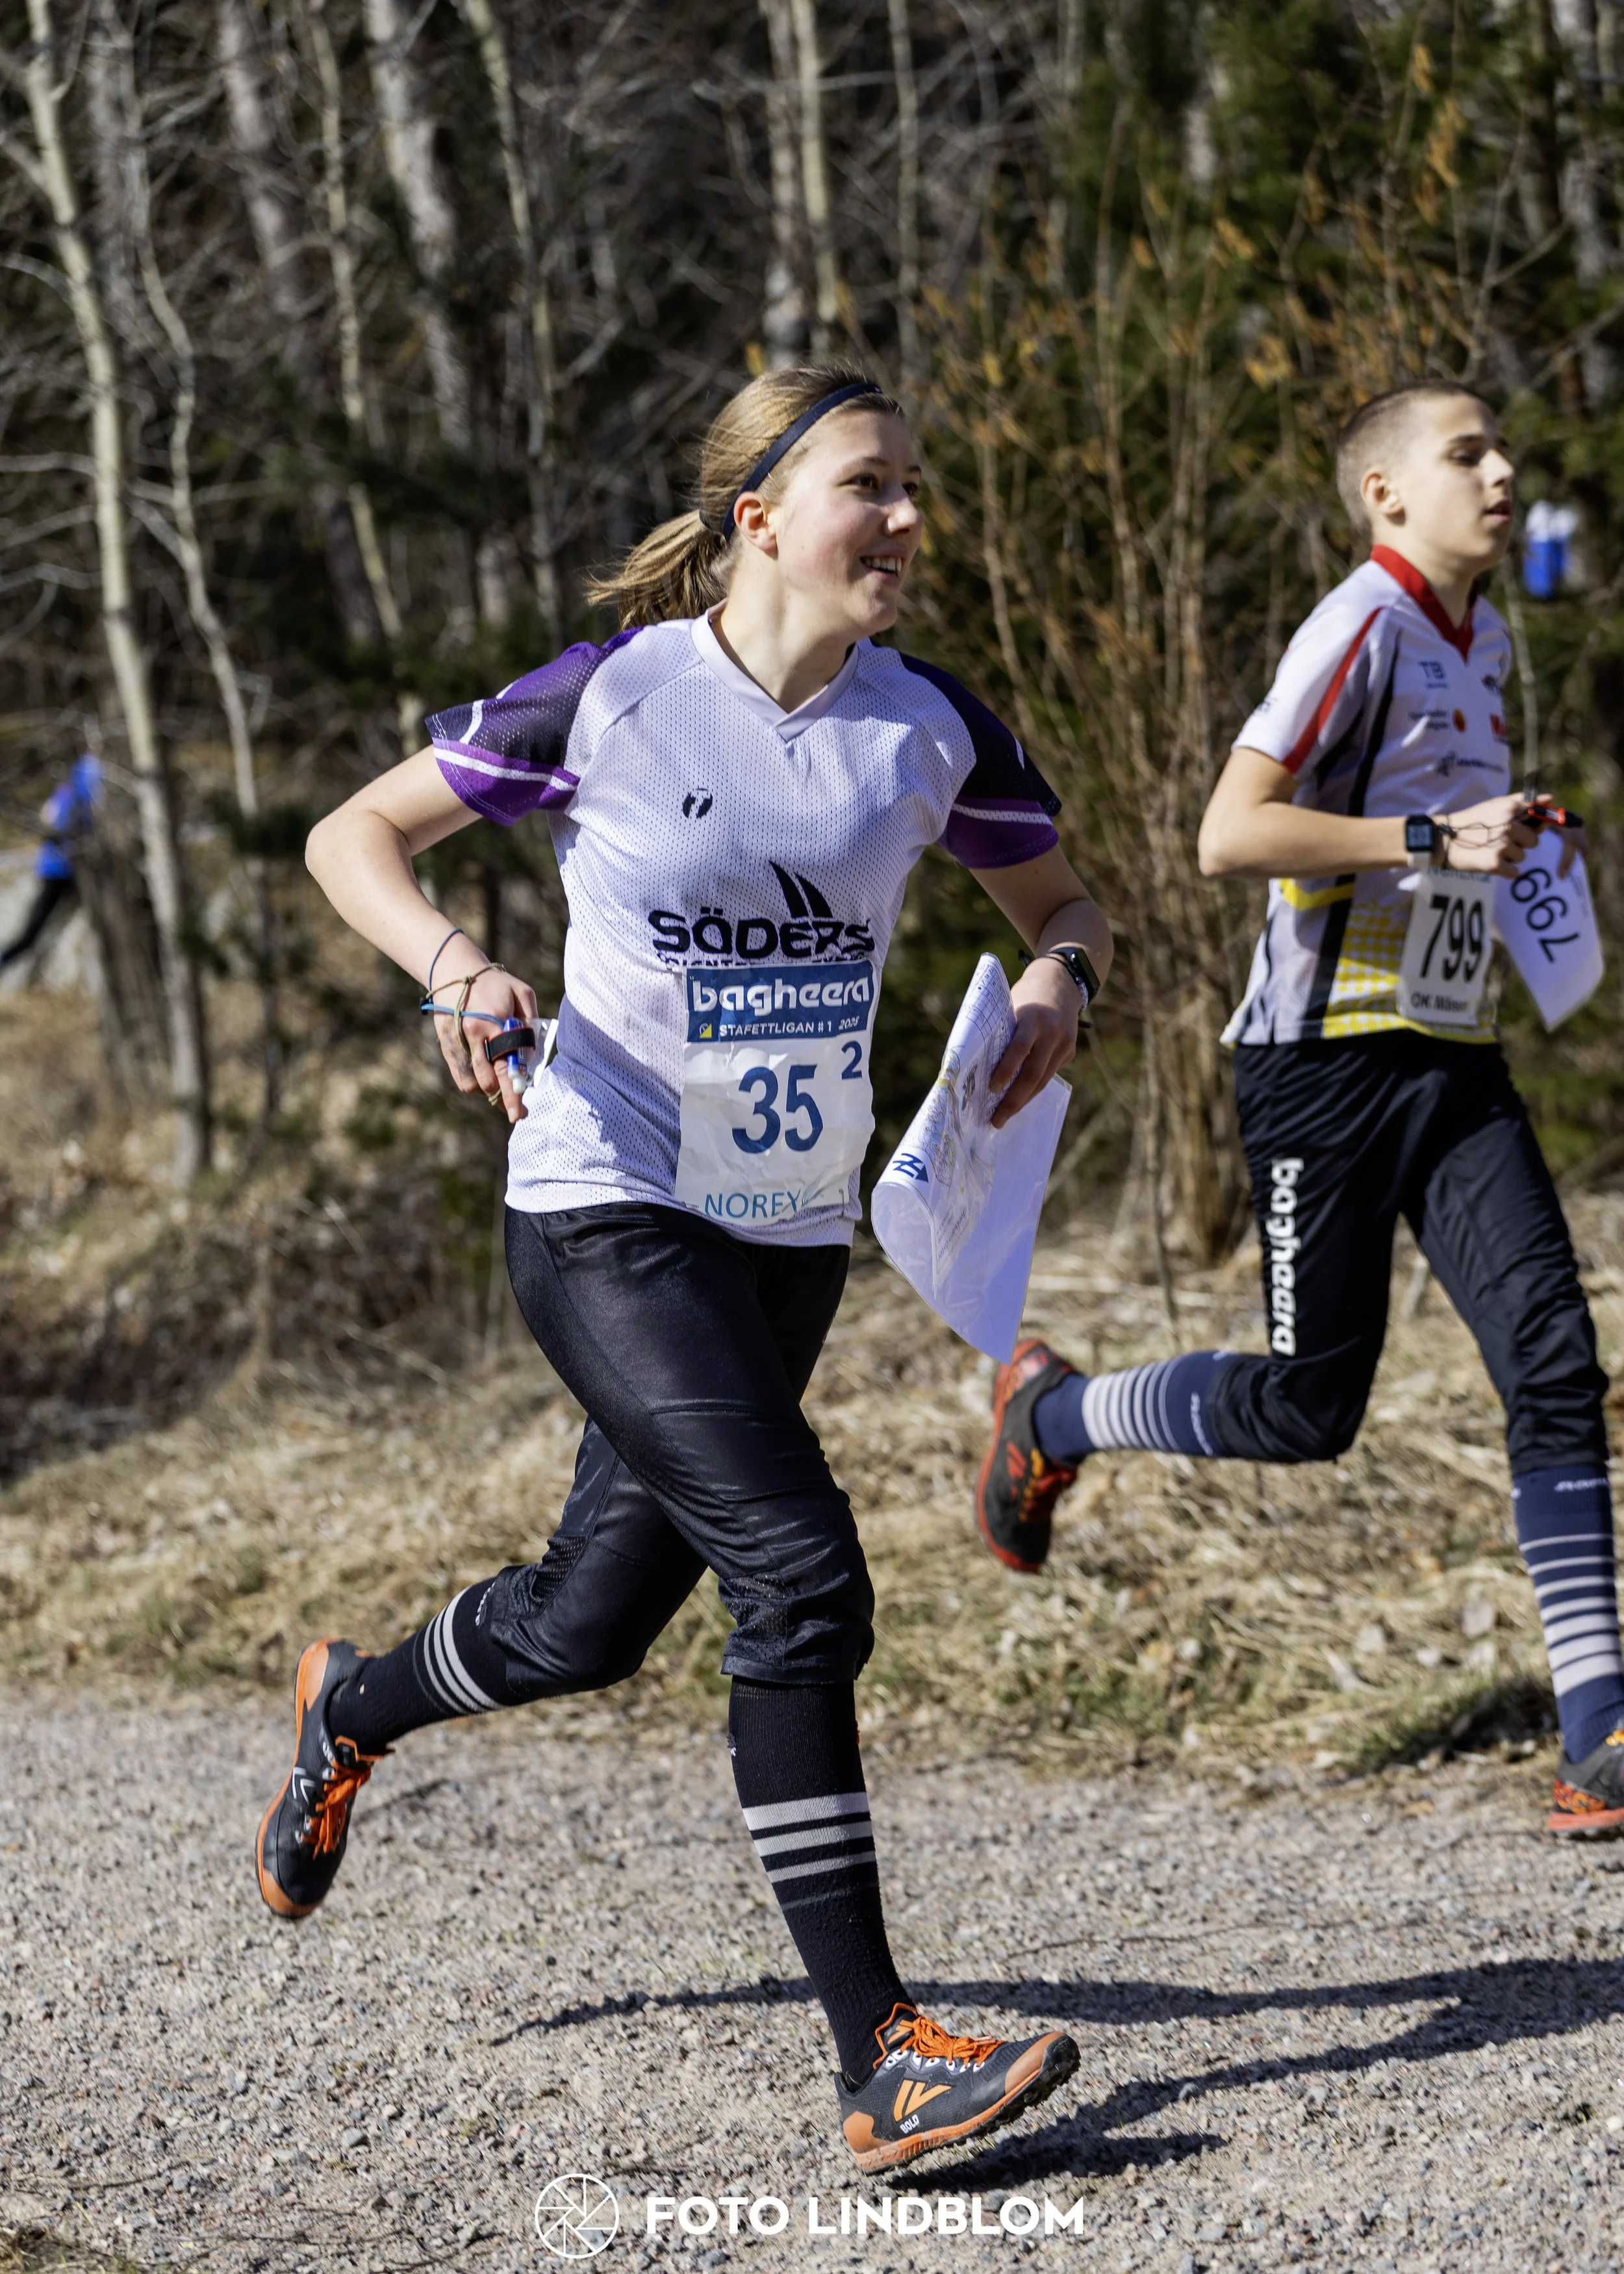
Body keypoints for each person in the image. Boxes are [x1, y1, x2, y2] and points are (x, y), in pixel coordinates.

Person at [256, 365, 1114, 2169]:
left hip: (785, 1232)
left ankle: (352, 1702)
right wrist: (453, 967)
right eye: (868, 487)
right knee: (801, 1574)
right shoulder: (618, 697)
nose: (903, 521)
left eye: (910, 490)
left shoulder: (926, 727)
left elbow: (1062, 903)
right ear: (759, 518)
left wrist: (1059, 984)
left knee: (590, 1619)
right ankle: (880, 2052)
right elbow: (355, 833)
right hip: (602, 1205)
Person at [975, 382, 1623, 1840]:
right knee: (1308, 1407)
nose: (1502, 470)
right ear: (1386, 492)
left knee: (1551, 1362)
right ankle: (1055, 1412)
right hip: (1318, 1067)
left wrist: (1498, 835)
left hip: (1447, 1054)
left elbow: (1441, 831)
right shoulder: (1358, 627)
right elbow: (1229, 832)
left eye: (1500, 448)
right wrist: (1417, 835)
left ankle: (1597, 1730)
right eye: (1466, 453)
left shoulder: (1488, 635)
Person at [0, 752, 100, 971]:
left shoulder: (76, 774)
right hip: (65, 868)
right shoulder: (92, 772)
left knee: (32, 931)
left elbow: (49, 815)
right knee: (32, 932)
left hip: (57, 864)